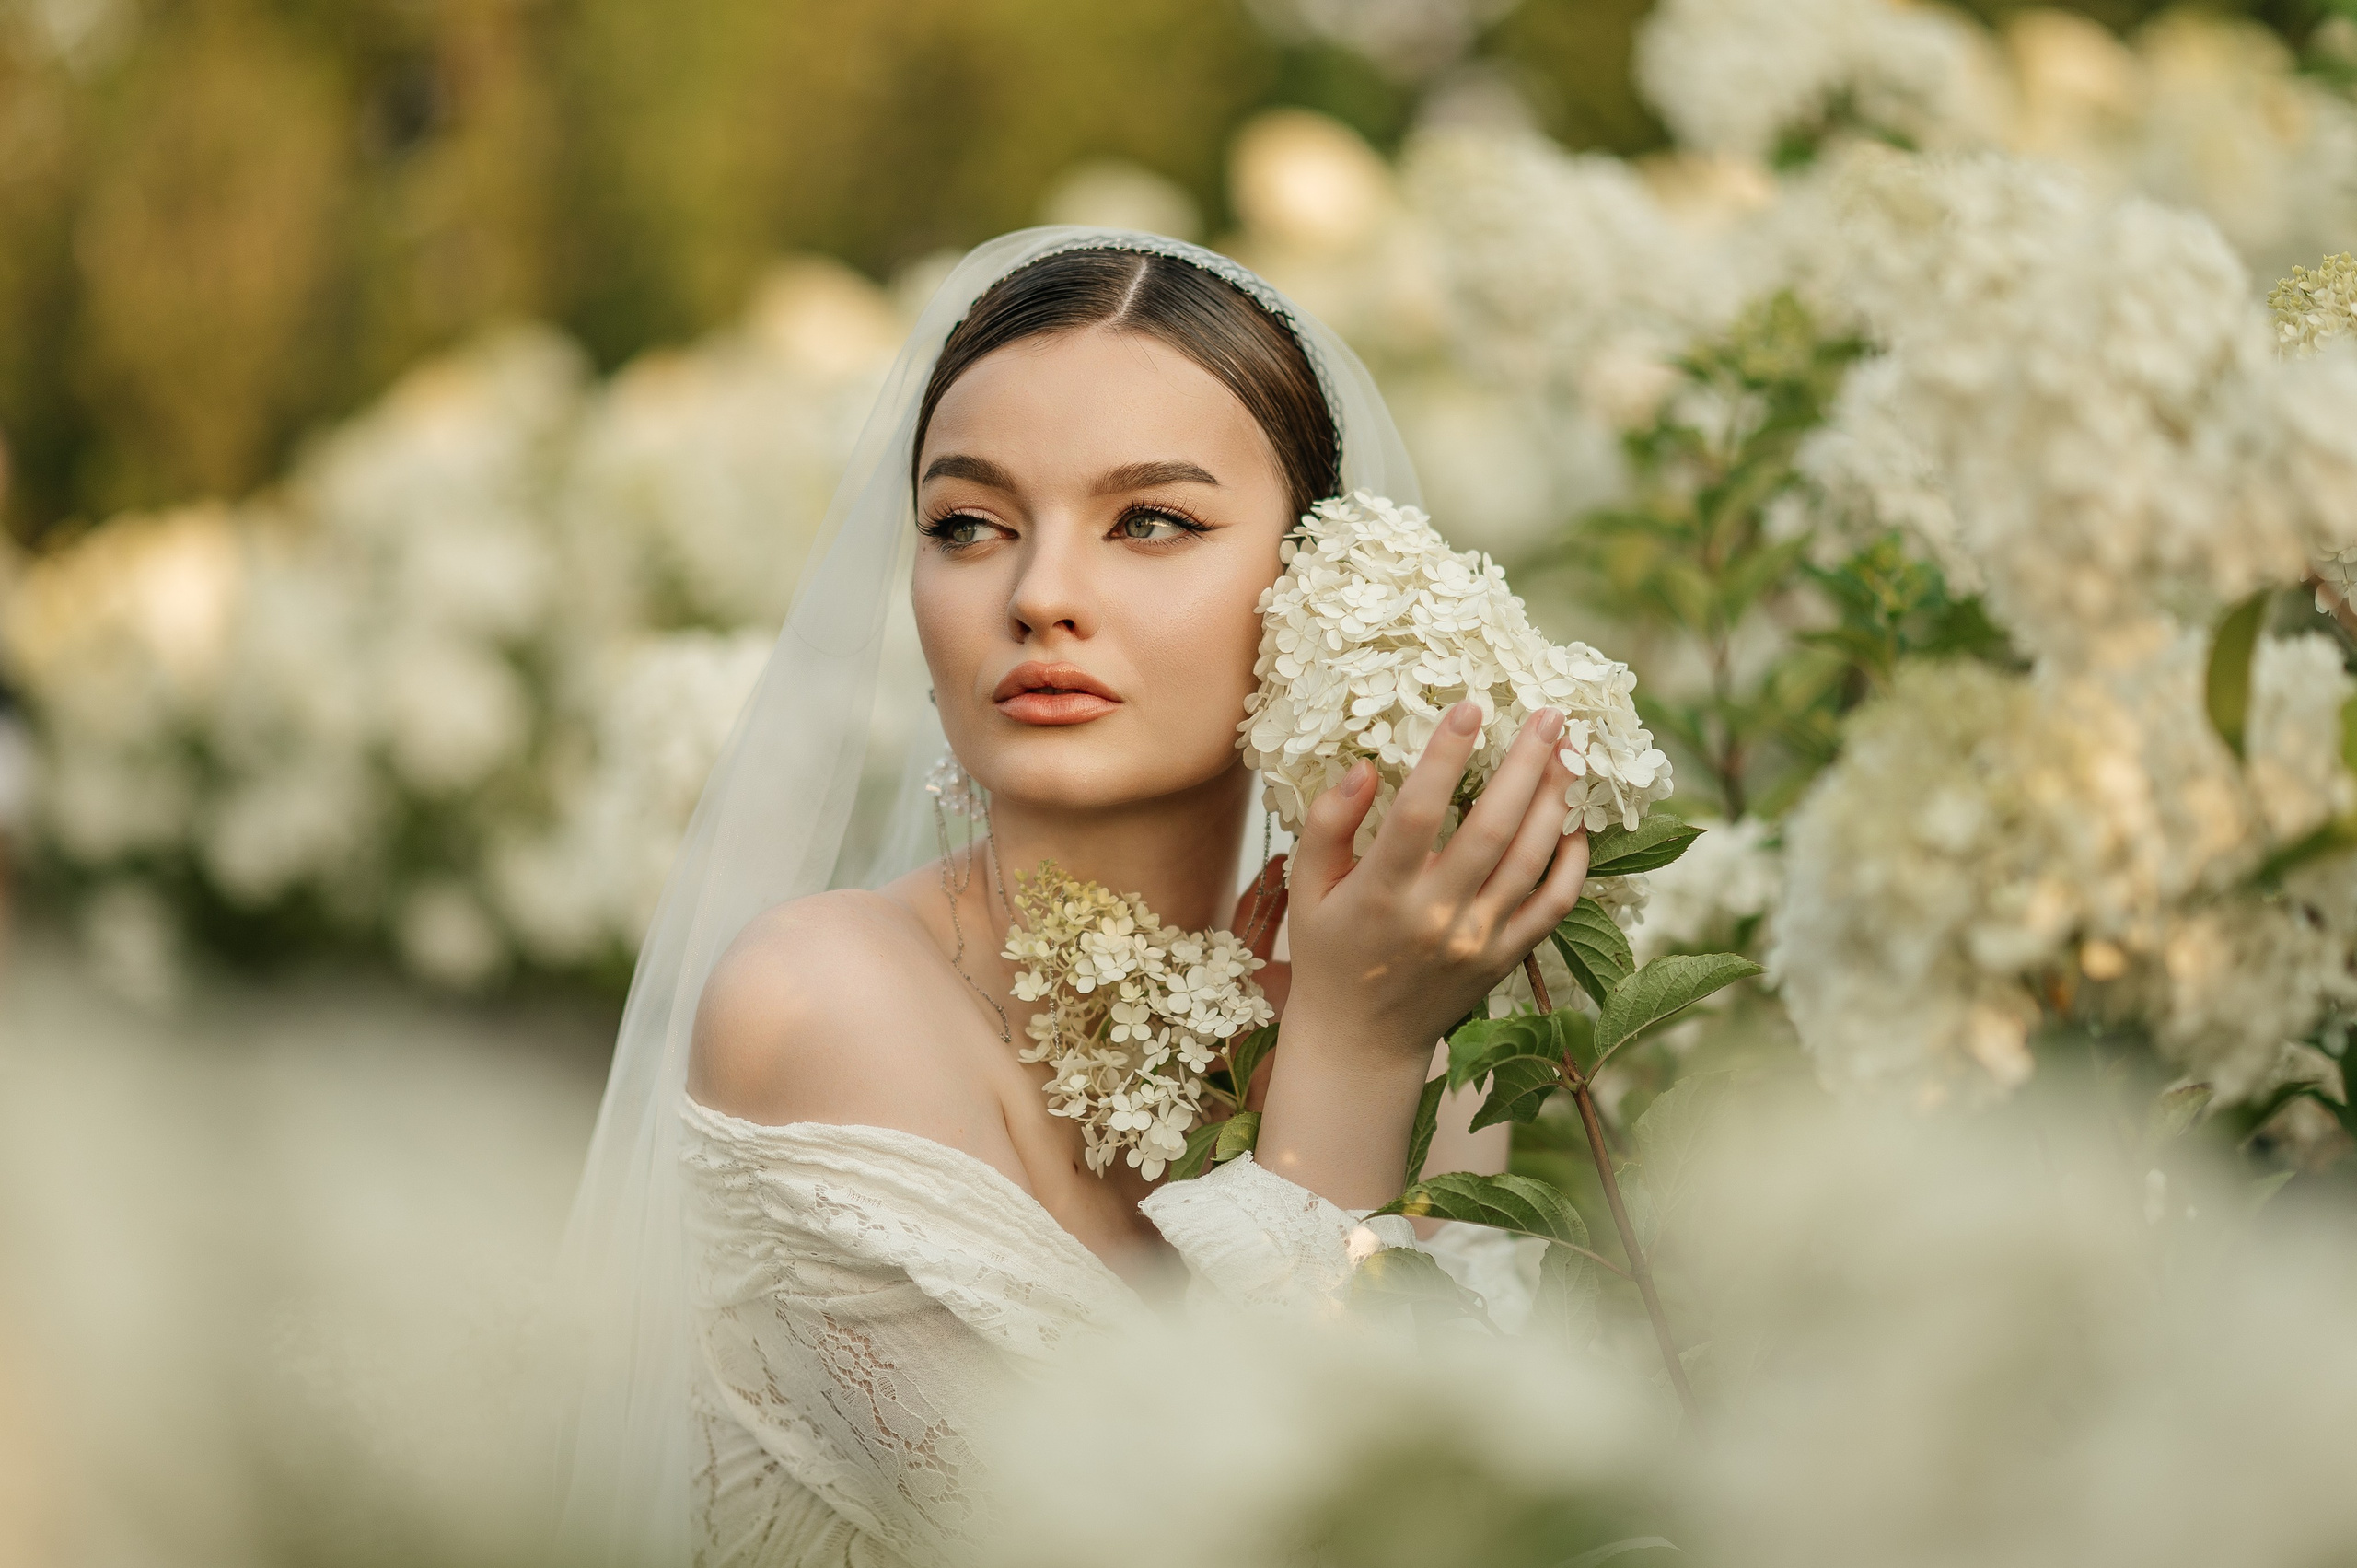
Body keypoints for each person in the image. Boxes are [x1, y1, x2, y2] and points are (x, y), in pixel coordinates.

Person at [559, 231, 1590, 1568]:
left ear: (1319, 588)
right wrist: (1351, 1065)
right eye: (968, 526)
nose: (1041, 596)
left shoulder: (1421, 997)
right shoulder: (817, 1006)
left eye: (1150, 521)